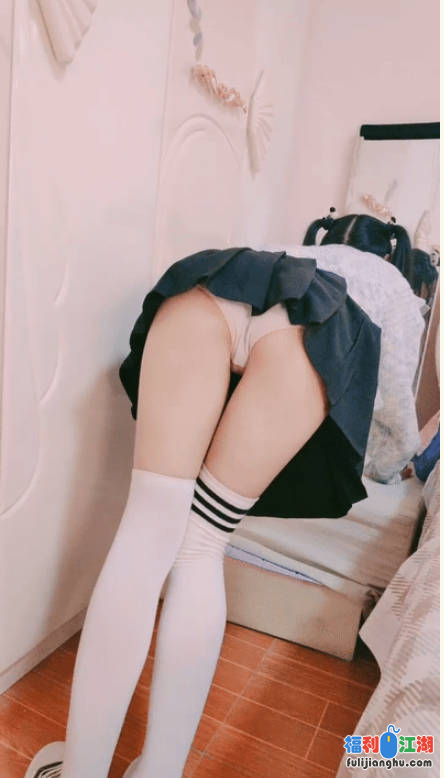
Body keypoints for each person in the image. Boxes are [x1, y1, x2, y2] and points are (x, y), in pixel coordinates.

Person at [25, 211, 425, 778]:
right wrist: (394, 464)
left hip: (215, 285)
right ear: (392, 255)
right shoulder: (398, 290)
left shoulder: (296, 249)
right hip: (320, 332)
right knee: (201, 544)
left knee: (146, 530)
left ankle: (80, 771)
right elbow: (393, 413)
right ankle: (159, 771)